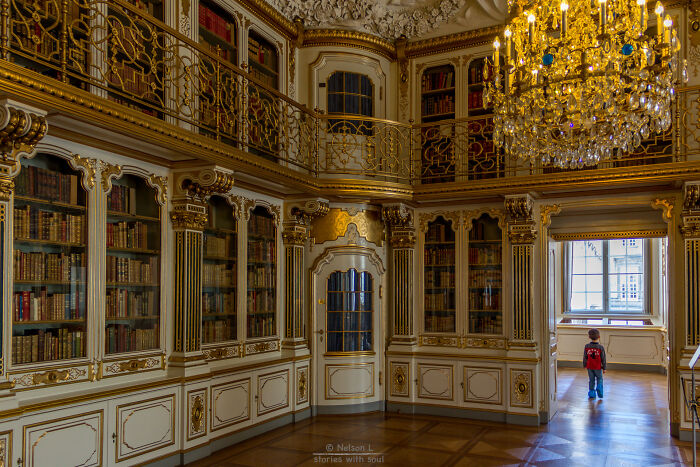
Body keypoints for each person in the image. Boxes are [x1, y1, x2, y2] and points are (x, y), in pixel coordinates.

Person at [583, 328, 606, 399]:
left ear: (589, 337)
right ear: (599, 337)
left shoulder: (587, 346)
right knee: (599, 378)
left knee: (591, 380)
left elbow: (585, 357)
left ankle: (592, 393)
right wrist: (604, 368)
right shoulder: (600, 347)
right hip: (598, 367)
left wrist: (584, 365)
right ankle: (599, 388)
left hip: (589, 366)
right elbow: (603, 358)